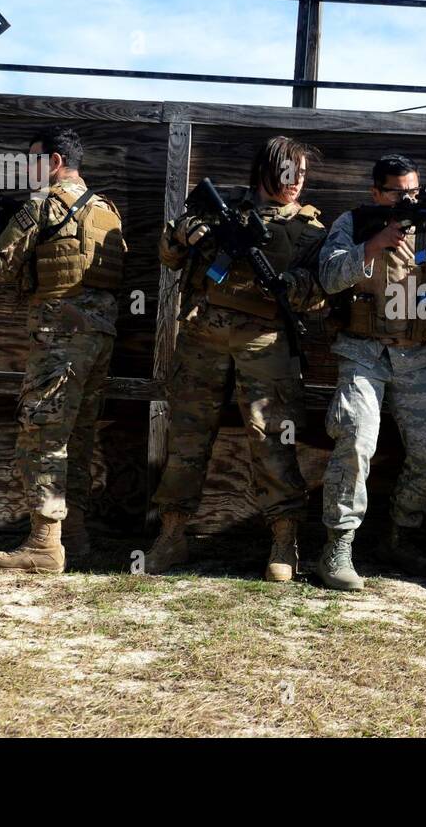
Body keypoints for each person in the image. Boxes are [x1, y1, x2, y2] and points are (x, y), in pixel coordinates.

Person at [145, 136, 327, 581]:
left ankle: (284, 541)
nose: (296, 181)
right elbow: (169, 257)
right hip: (202, 337)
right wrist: (180, 234)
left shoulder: (311, 230)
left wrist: (289, 287)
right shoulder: (220, 208)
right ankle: (172, 535)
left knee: (272, 442)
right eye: (289, 171)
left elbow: (322, 296)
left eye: (302, 173)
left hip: (265, 344)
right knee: (188, 437)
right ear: (266, 171)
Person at [315, 154, 426, 590]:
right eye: (397, 192)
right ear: (376, 192)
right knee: (356, 438)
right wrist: (373, 244)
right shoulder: (353, 222)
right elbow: (328, 278)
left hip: (415, 356)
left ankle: (398, 538)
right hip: (362, 353)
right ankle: (338, 546)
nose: (408, 199)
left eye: (413, 191)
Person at [0, 126, 126, 573]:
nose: (27, 170)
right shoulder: (106, 210)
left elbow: (3, 263)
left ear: (55, 163)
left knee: (41, 436)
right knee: (76, 438)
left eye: (33, 160)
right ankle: (72, 536)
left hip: (59, 336)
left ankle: (43, 544)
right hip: (101, 338)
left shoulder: (41, 205)